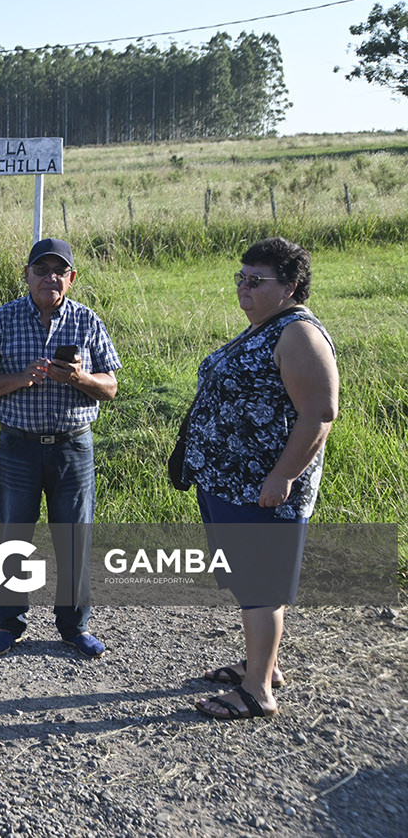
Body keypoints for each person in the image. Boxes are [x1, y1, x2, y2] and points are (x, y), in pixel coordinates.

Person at [186, 238, 338, 721]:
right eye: (241, 278)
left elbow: (319, 414)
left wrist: (282, 476)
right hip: (232, 484)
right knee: (248, 581)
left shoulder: (299, 334)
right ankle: (262, 666)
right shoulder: (267, 327)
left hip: (262, 489)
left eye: (257, 280)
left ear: (289, 286)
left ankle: (257, 692)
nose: (244, 287)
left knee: (260, 587)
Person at [0, 238, 121, 658]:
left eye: (59, 271)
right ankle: (9, 623)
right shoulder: (2, 319)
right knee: (14, 536)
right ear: (27, 275)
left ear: (71, 279)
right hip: (19, 446)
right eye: (41, 269)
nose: (49, 277)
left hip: (73, 448)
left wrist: (79, 378)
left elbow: (110, 387)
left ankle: (74, 626)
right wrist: (21, 378)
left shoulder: (87, 320)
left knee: (74, 539)